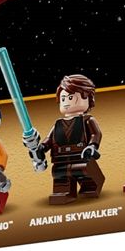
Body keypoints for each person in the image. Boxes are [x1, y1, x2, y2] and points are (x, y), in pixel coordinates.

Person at [39, 74, 104, 204]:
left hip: (81, 156)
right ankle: (63, 192)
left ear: (88, 98)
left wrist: (92, 146)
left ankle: (90, 187)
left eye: (70, 98)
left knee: (84, 170)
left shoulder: (87, 120)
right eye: (63, 99)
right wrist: (42, 147)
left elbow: (95, 134)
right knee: (59, 174)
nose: (67, 102)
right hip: (60, 158)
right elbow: (49, 139)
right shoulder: (58, 124)